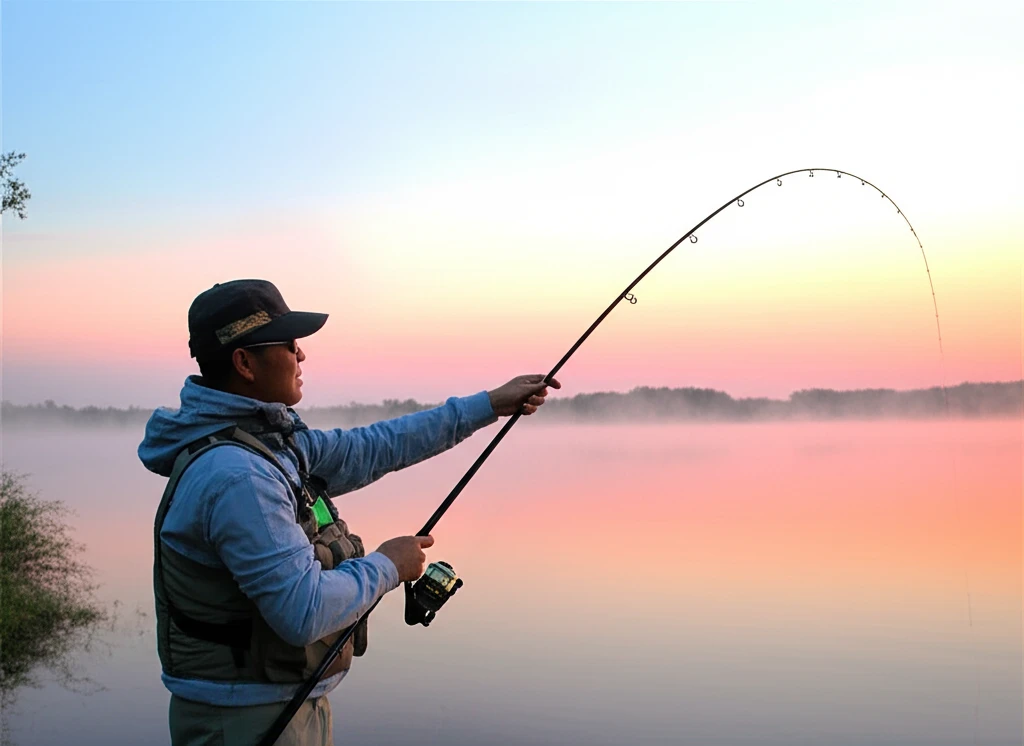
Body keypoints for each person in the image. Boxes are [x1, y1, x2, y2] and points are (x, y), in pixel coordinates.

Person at [138, 279, 559, 746]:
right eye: (289, 344)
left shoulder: (268, 444)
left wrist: (488, 405)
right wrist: (387, 565)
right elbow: (303, 611)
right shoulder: (239, 477)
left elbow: (375, 447)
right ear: (244, 363)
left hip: (274, 705)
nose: (302, 356)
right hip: (245, 721)